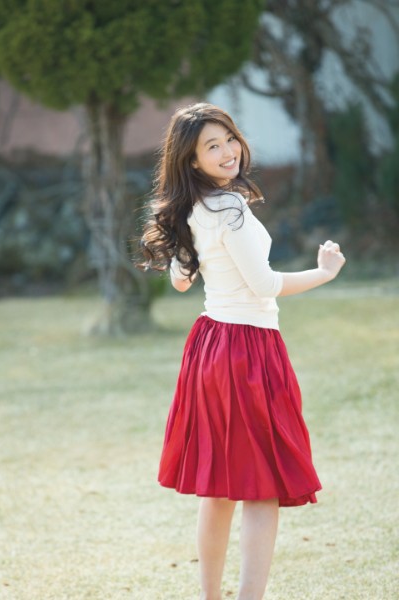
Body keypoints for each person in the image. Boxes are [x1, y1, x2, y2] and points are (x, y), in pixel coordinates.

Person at [139, 102, 346, 600]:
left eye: (229, 138)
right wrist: (324, 273)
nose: (228, 150)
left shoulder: (190, 208)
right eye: (212, 146)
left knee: (218, 488)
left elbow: (181, 280)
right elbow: (265, 285)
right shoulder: (228, 209)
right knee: (261, 488)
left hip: (210, 346)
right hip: (247, 349)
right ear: (192, 160)